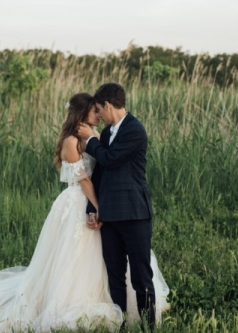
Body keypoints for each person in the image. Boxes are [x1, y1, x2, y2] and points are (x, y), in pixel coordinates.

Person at [0, 92, 168, 332]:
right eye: (94, 111)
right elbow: (86, 181)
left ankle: (136, 320)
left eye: (99, 110)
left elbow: (104, 168)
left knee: (113, 264)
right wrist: (98, 208)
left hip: (109, 205)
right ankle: (92, 310)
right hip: (79, 202)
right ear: (83, 114)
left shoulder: (104, 135)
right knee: (80, 260)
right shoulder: (74, 141)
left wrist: (100, 203)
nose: (98, 115)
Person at [77, 83, 162, 329]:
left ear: (108, 105)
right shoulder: (105, 134)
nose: (98, 116)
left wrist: (91, 140)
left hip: (135, 214)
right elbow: (100, 174)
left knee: (140, 276)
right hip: (110, 216)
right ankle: (120, 325)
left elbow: (111, 159)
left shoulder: (135, 130)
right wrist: (92, 209)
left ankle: (148, 327)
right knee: (115, 276)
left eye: (99, 110)